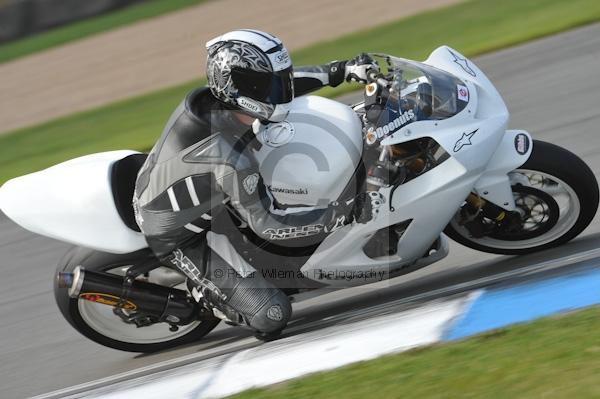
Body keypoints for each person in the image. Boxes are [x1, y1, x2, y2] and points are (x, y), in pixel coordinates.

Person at [133, 29, 377, 339]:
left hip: (205, 194)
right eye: (267, 84)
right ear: (240, 88)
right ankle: (208, 295)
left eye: (278, 80)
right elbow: (270, 224)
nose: (280, 89)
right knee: (272, 316)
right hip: (180, 236)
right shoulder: (227, 158)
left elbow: (285, 86)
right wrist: (341, 215)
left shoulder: (219, 99)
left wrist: (339, 70)